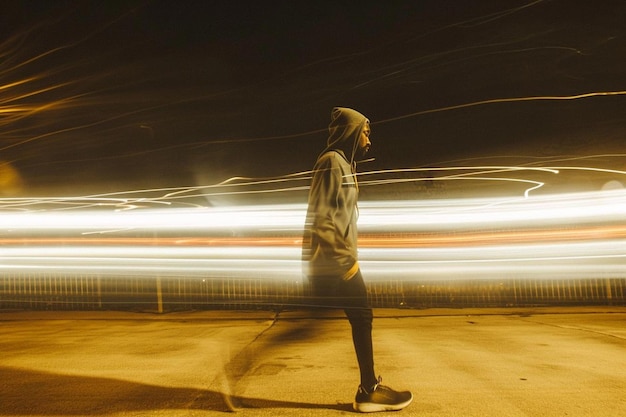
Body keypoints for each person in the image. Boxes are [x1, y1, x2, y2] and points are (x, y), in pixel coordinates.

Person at [302, 107, 413, 413]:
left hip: (336, 261)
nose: (368, 139)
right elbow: (321, 217)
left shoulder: (346, 166)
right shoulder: (331, 163)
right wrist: (345, 261)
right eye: (365, 131)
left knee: (305, 328)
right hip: (334, 263)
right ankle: (368, 390)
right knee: (361, 315)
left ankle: (368, 388)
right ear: (351, 132)